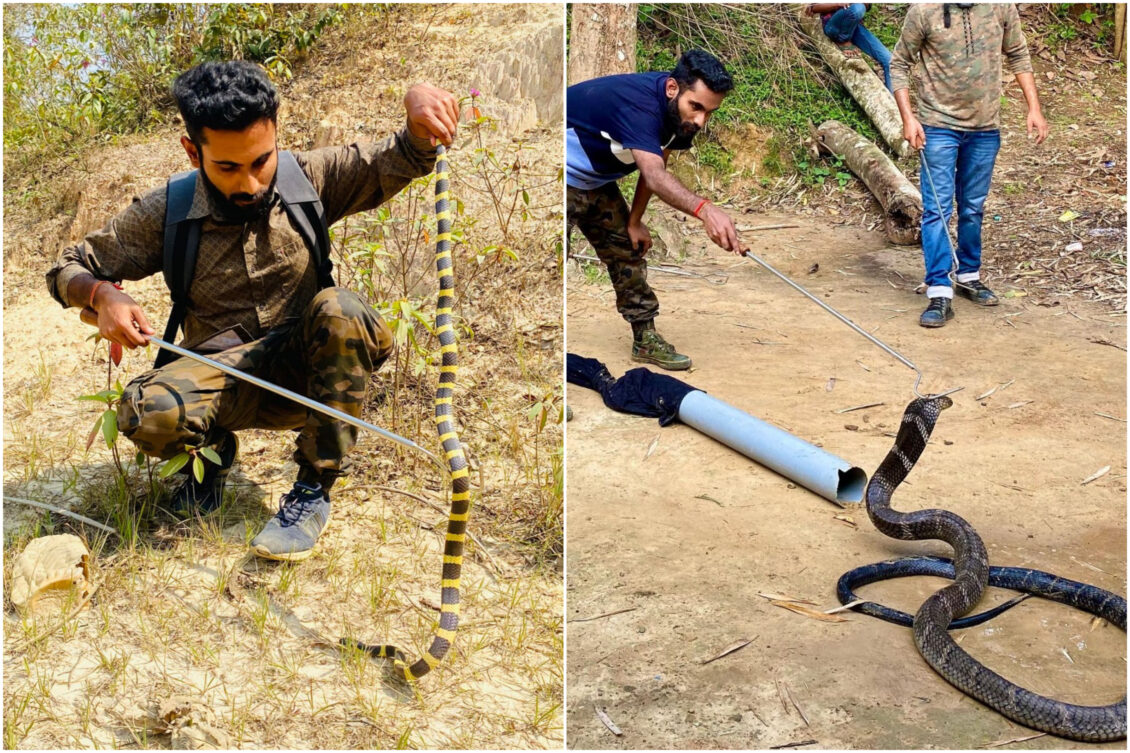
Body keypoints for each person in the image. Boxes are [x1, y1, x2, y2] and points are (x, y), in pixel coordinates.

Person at [45, 61, 459, 561]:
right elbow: (67, 267)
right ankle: (210, 459)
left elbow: (402, 156)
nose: (250, 183)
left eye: (261, 161)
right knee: (145, 413)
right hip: (221, 379)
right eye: (227, 167)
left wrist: (419, 109)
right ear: (192, 151)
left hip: (306, 373)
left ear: (277, 136)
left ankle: (313, 489)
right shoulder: (167, 211)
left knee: (340, 308)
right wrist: (102, 296)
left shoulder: (309, 178)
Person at [566, 49, 744, 371]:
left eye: (710, 113)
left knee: (627, 252)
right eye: (697, 107)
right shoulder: (640, 105)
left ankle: (645, 340)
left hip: (595, 182)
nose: (701, 120)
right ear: (673, 89)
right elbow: (654, 175)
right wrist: (705, 209)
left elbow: (658, 159)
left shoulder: (678, 116)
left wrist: (634, 221)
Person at [890, 3, 1047, 328]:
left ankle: (968, 275)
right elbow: (899, 63)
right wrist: (908, 118)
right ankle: (939, 290)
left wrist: (1034, 108)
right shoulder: (924, 10)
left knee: (973, 207)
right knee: (938, 209)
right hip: (938, 126)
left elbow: (1018, 54)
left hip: (985, 128)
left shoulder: (1001, 7)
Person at [806, 3, 893, 92]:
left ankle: (894, 102)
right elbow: (813, 8)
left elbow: (867, 6)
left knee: (889, 60)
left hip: (854, 27)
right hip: (833, 26)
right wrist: (839, 4)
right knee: (858, 8)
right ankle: (842, 40)